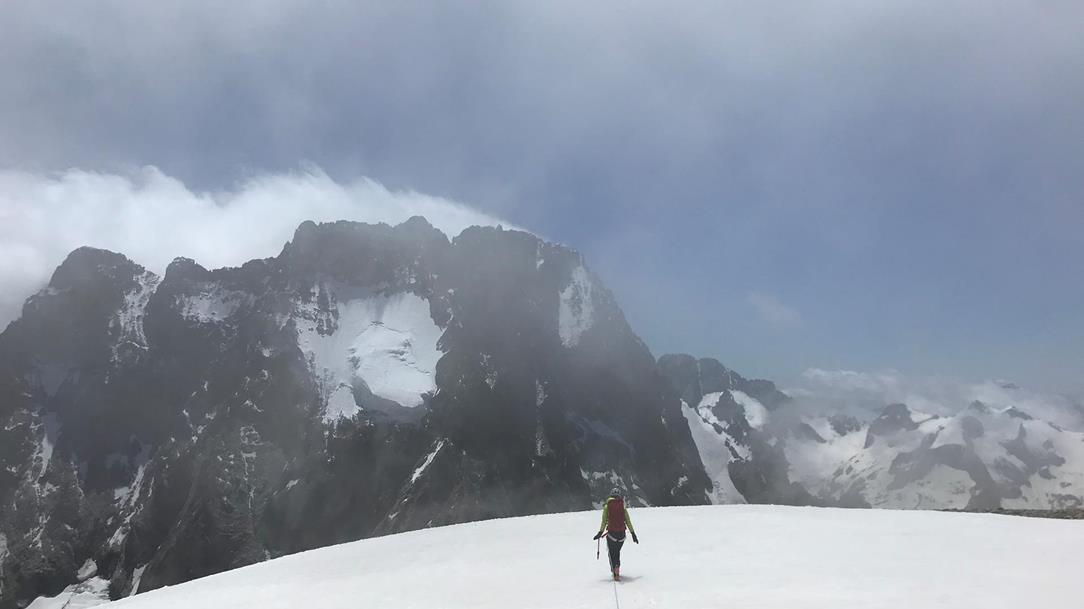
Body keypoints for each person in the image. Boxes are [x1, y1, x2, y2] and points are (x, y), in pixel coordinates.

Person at [592, 487, 638, 580]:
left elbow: (604, 521)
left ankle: (615, 570)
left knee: (612, 552)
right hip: (621, 536)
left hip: (611, 535)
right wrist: (633, 534)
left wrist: (600, 532)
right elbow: (628, 521)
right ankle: (617, 567)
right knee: (617, 551)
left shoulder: (607, 506)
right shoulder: (622, 506)